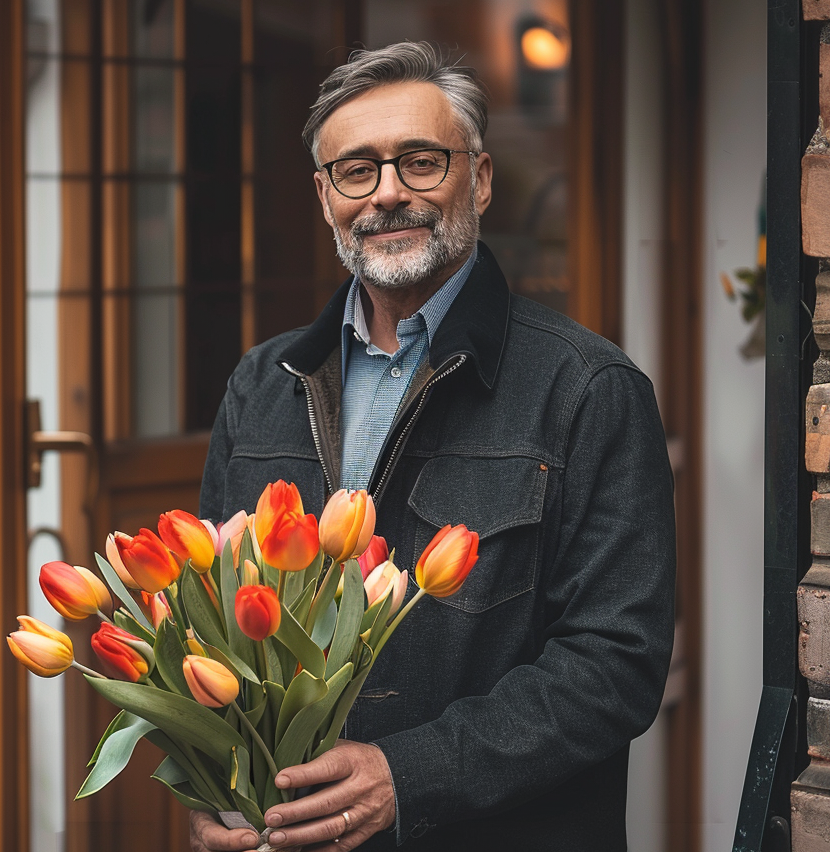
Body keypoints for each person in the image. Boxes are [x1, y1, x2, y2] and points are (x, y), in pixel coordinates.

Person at [193, 41, 676, 852]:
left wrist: (407, 774)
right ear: (324, 196)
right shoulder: (261, 383)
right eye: (357, 170)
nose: (388, 194)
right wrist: (212, 785)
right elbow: (206, 623)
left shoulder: (589, 388)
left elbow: (615, 667)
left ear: (479, 179)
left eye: (421, 162)